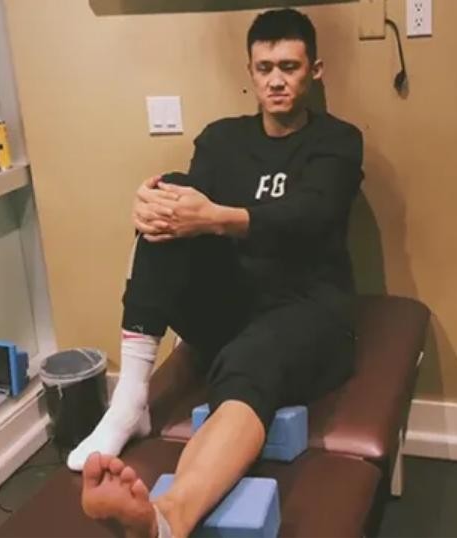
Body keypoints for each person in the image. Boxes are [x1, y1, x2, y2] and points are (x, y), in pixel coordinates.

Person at [70, 8, 364, 537]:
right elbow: (186, 212)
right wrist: (150, 205)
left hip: (308, 310)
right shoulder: (222, 139)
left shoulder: (338, 141)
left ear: (315, 71)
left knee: (251, 364)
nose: (276, 80)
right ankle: (131, 399)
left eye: (290, 67)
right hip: (235, 302)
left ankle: (168, 517)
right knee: (171, 191)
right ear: (249, 73)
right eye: (265, 68)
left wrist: (215, 217)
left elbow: (312, 216)